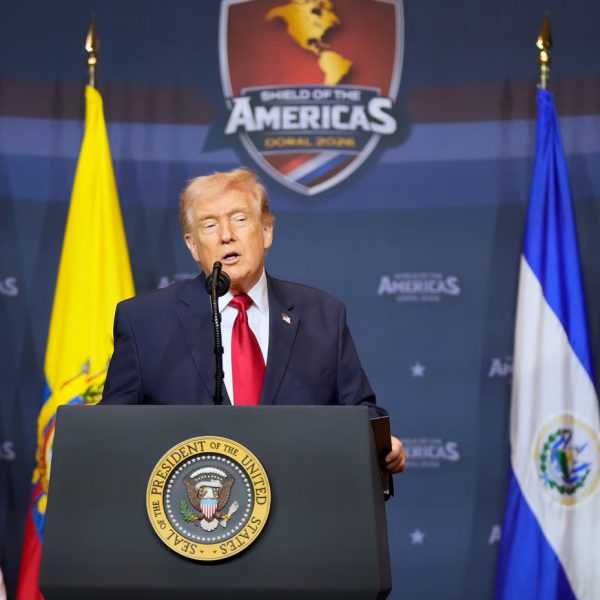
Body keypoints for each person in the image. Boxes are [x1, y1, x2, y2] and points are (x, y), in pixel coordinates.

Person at [102, 168, 405, 474]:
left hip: (299, 493)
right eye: (210, 225)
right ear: (193, 245)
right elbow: (111, 432)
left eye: (239, 219)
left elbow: (361, 413)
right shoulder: (144, 322)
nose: (226, 235)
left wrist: (382, 445)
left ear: (266, 231)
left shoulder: (322, 315)